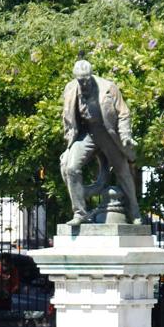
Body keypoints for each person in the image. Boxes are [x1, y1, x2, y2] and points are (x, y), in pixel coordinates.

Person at [60, 59, 142, 225]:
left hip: (107, 133)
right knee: (70, 168)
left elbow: (124, 113)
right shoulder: (70, 89)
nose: (84, 83)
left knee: (122, 171)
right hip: (86, 133)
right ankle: (80, 213)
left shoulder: (108, 88)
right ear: (75, 78)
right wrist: (69, 142)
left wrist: (125, 135)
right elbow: (67, 117)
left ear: (91, 76)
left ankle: (134, 212)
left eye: (86, 79)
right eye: (80, 80)